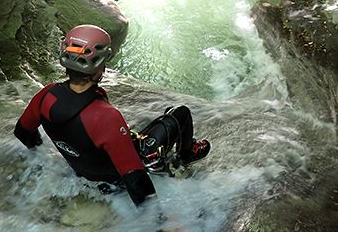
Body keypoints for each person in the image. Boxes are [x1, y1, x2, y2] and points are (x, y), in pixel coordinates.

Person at [14, 24, 210, 207]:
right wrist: (158, 221)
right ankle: (187, 153)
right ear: (99, 66)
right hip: (117, 183)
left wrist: (43, 156)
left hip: (87, 176)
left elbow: (23, 132)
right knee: (179, 113)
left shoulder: (45, 96)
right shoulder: (105, 116)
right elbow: (135, 179)